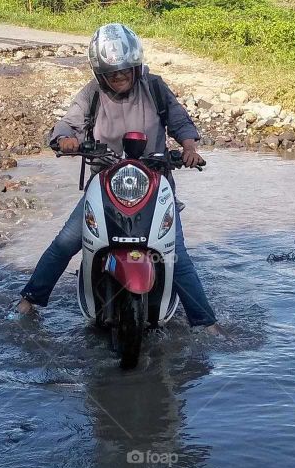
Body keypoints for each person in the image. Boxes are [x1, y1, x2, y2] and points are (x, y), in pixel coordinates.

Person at [18, 23, 219, 330]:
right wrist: (64, 138)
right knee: (66, 242)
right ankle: (29, 299)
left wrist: (189, 147)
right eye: (111, 73)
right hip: (105, 183)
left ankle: (206, 323)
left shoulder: (154, 87)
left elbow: (179, 119)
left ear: (135, 67)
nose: (119, 77)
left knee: (174, 252)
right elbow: (69, 122)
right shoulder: (92, 93)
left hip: (154, 182)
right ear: (100, 75)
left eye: (124, 71)